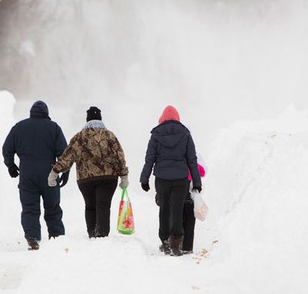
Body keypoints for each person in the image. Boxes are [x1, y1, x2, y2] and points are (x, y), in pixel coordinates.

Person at [48, 106, 129, 238]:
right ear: (101, 119)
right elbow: (119, 156)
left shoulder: (79, 137)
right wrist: (124, 176)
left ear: (87, 120)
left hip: (86, 179)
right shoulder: (109, 135)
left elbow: (68, 156)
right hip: (108, 178)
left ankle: (92, 233)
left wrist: (55, 172)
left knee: (90, 206)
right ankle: (102, 234)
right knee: (103, 205)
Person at [2, 100, 69, 250]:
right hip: (49, 174)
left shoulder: (19, 128)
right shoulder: (54, 128)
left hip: (27, 174)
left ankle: (32, 239)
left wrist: (11, 165)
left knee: (30, 207)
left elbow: (7, 148)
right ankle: (56, 237)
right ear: (46, 114)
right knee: (52, 207)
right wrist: (65, 171)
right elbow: (64, 153)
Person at [140, 105, 202, 256]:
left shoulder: (156, 134)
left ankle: (165, 241)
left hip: (162, 179)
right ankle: (175, 242)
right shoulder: (185, 133)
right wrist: (197, 182)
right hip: (181, 179)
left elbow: (150, 159)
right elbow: (192, 160)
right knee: (177, 209)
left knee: (164, 209)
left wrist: (144, 178)